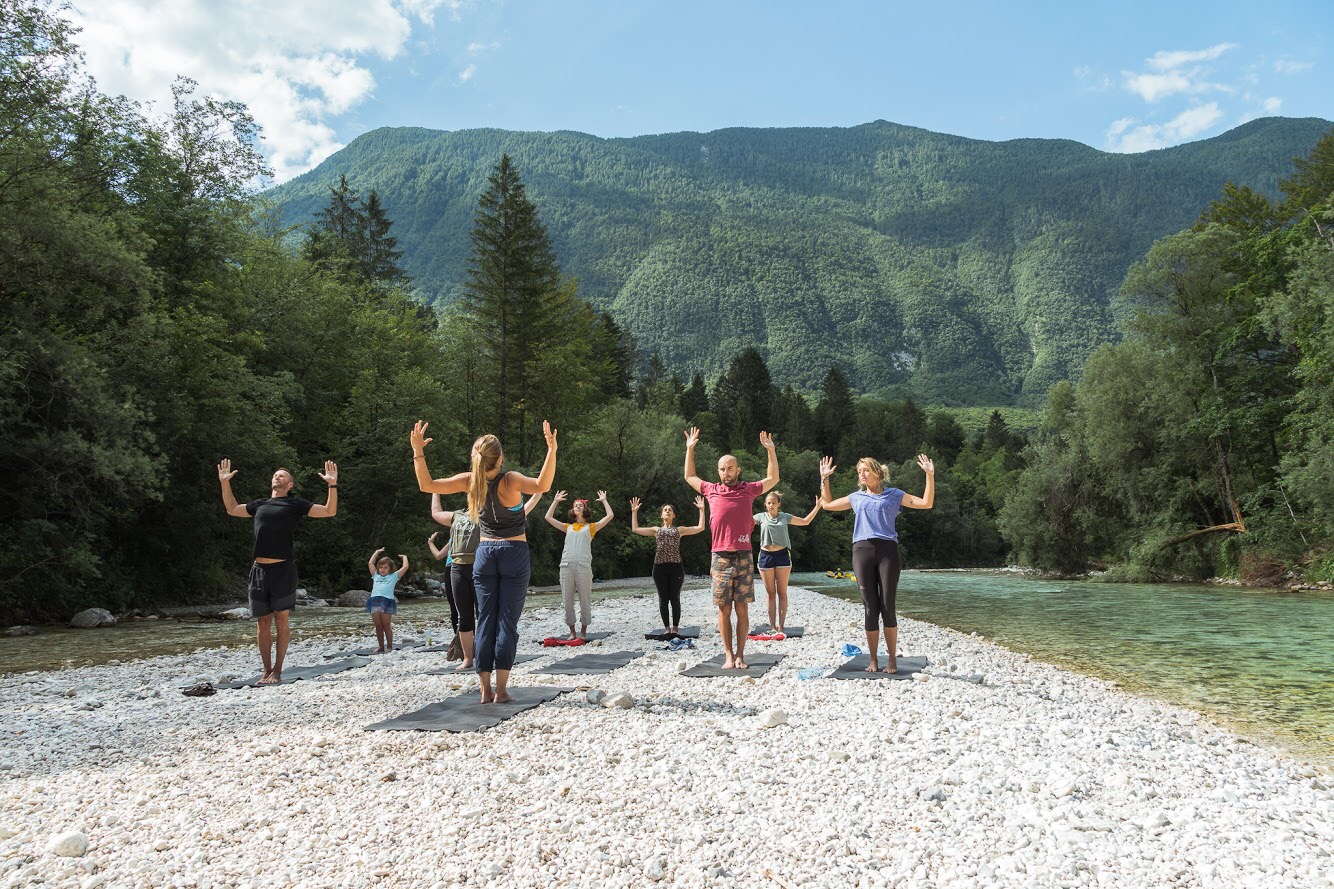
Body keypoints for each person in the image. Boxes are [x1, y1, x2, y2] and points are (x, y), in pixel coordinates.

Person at [411, 420, 556, 704]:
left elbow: (426, 485)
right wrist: (551, 450)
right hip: (513, 552)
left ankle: (485, 690)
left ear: (475, 457)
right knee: (506, 622)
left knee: (486, 619)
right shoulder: (510, 480)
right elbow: (543, 484)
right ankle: (501, 691)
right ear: (500, 458)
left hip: (485, 554)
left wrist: (418, 451)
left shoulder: (469, 481)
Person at [217, 459, 338, 685]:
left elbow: (329, 511)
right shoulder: (260, 504)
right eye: (275, 474)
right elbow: (232, 509)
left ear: (290, 484)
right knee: (262, 622)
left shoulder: (295, 504)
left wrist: (332, 485)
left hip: (283, 569)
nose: (277, 477)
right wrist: (225, 483)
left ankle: (278, 671)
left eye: (282, 475)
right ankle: (266, 671)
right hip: (259, 570)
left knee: (281, 621)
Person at [819, 454, 935, 673]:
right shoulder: (856, 497)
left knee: (888, 607)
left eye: (865, 470)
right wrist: (824, 479)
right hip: (862, 552)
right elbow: (827, 505)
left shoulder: (894, 495)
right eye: (859, 471)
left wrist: (929, 475)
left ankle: (892, 660)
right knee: (870, 608)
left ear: (877, 472)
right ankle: (873, 660)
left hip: (887, 552)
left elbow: (926, 503)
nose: (862, 475)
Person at [683, 426, 779, 669]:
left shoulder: (748, 489)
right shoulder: (711, 490)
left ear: (738, 470)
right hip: (720, 557)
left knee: (742, 608)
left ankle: (741, 655)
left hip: (744, 556)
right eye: (722, 469)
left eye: (729, 468)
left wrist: (771, 451)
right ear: (718, 471)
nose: (726, 473)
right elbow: (690, 476)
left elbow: (773, 479)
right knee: (724, 609)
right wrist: (690, 449)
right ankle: (728, 655)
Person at [429, 491, 542, 669]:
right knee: (463, 616)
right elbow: (436, 513)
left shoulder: (489, 515)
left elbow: (521, 512)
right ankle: (468, 658)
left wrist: (537, 494)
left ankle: (490, 654)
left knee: (485, 613)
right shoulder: (457, 515)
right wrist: (435, 490)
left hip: (481, 566)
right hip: (457, 568)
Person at [630, 495, 707, 637]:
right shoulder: (656, 530)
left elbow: (700, 527)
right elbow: (635, 529)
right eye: (665, 510)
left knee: (675, 598)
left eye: (670, 510)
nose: (667, 511)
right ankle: (666, 628)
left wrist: (702, 510)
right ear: (661, 515)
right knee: (663, 599)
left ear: (673, 515)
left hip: (676, 567)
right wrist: (634, 512)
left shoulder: (679, 530)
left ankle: (675, 628)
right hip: (659, 568)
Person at [543, 490, 615, 639]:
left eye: (580, 505)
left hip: (583, 566)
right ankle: (572, 632)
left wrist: (604, 500)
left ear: (585, 509)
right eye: (575, 505)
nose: (578, 506)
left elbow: (610, 516)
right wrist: (555, 501)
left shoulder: (591, 527)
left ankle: (583, 632)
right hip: (566, 566)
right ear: (573, 510)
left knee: (585, 600)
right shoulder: (567, 527)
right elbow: (548, 517)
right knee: (567, 601)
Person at [753, 491, 821, 634]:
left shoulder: (785, 517)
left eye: (774, 502)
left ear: (779, 504)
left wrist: (817, 507)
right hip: (765, 556)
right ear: (765, 504)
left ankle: (781, 627)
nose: (771, 505)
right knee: (770, 593)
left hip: (782, 555)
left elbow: (805, 521)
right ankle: (772, 627)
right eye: (768, 503)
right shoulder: (760, 517)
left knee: (782, 593)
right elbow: (742, 524)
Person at [366, 548, 408, 653]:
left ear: (390, 569)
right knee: (378, 626)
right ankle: (381, 646)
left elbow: (405, 567)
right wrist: (376, 552)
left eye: (385, 567)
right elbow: (370, 564)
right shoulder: (375, 575)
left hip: (386, 602)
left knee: (386, 625)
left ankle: (389, 646)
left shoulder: (394, 576)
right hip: (374, 601)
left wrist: (404, 557)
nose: (382, 569)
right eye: (381, 567)